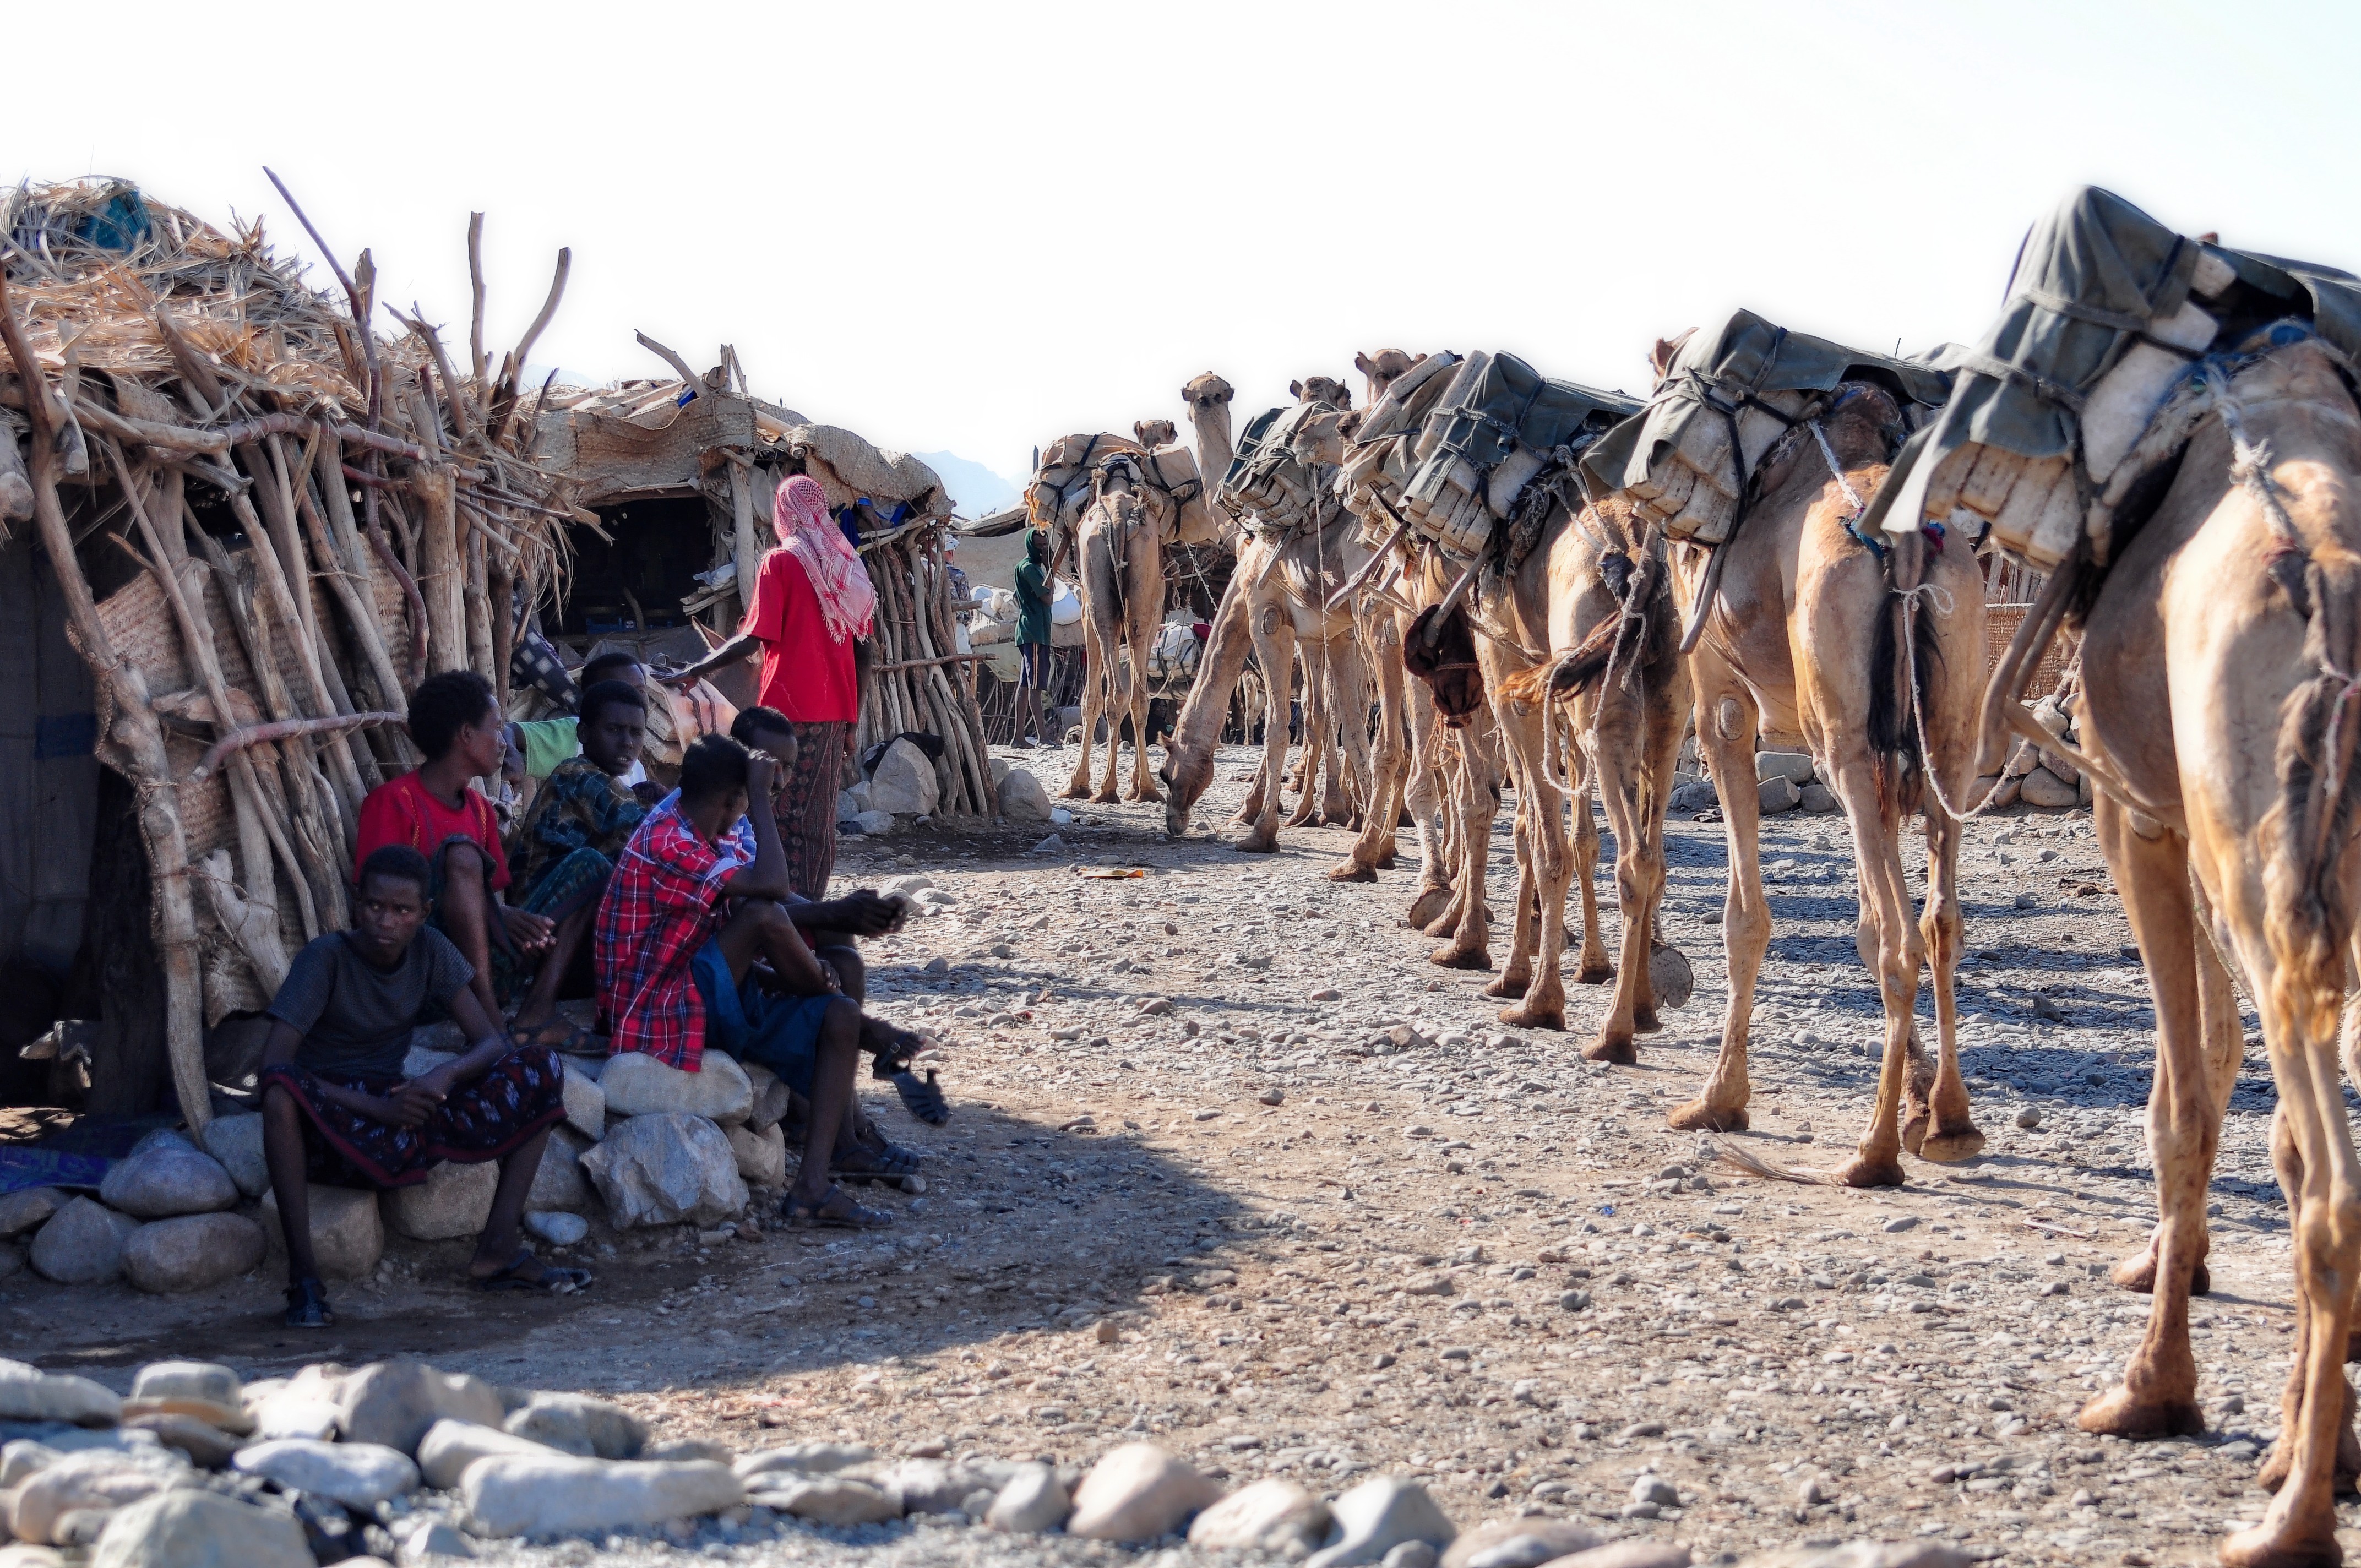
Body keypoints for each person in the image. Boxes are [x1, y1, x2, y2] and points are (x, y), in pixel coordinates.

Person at [595, 733, 928, 1228]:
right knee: (764, 918)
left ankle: (813, 1186)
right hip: (658, 1009)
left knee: (836, 1016)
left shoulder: (706, 821)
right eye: (747, 802)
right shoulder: (667, 836)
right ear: (733, 799)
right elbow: (769, 892)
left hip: (708, 988)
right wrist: (762, 804)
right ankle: (865, 1025)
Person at [260, 845, 583, 1327]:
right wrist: (375, 1107)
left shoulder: (430, 950)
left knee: (538, 1067)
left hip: (399, 1109)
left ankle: (497, 1248)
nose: (386, 921)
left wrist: (443, 1075)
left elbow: (491, 1043)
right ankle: (304, 1280)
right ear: (357, 901)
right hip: (336, 1120)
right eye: (375, 906)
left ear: (424, 914)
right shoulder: (326, 959)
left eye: (403, 911)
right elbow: (275, 1067)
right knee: (282, 1094)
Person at [730, 704, 946, 1151]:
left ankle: (848, 1115)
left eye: (789, 767)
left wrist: (837, 913)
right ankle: (849, 1106)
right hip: (723, 964)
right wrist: (829, 913)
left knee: (841, 949)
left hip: (744, 942)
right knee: (831, 943)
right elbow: (748, 906)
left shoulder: (743, 818)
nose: (782, 780)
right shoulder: (725, 812)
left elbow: (775, 897)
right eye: (772, 767)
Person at [665, 474, 871, 899]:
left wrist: (699, 669)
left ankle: (775, 911)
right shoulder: (846, 568)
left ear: (783, 513)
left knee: (767, 813)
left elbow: (753, 638)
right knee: (815, 821)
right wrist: (852, 720)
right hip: (832, 716)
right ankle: (810, 908)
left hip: (782, 717)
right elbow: (865, 650)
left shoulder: (781, 562)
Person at [353, 671, 554, 1028]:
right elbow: (380, 907)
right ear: (465, 735)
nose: (504, 741)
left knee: (589, 866)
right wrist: (487, 907)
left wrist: (502, 915)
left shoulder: (480, 809)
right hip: (419, 969)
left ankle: (539, 1002)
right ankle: (488, 1017)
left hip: (480, 961)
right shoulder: (393, 803)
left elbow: (491, 904)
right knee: (460, 854)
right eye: (496, 728)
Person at [502, 679, 650, 1043]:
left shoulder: (615, 785)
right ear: (583, 733)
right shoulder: (578, 774)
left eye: (635, 732)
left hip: (563, 940)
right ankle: (536, 1012)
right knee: (594, 866)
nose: (627, 743)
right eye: (614, 730)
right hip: (531, 937)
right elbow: (654, 838)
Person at [506, 649, 653, 791]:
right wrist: (514, 757)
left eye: (640, 691)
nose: (634, 699)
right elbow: (508, 731)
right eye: (618, 692)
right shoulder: (572, 734)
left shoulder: (635, 767)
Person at [1011, 526, 1057, 747]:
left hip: (1031, 631)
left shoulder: (1031, 567)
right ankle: (1043, 737)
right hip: (1035, 632)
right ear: (1031, 546)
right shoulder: (1030, 569)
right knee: (1035, 687)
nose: (1042, 551)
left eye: (1045, 547)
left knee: (1024, 685)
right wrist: (1050, 567)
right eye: (1039, 547)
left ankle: (1018, 737)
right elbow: (1048, 599)